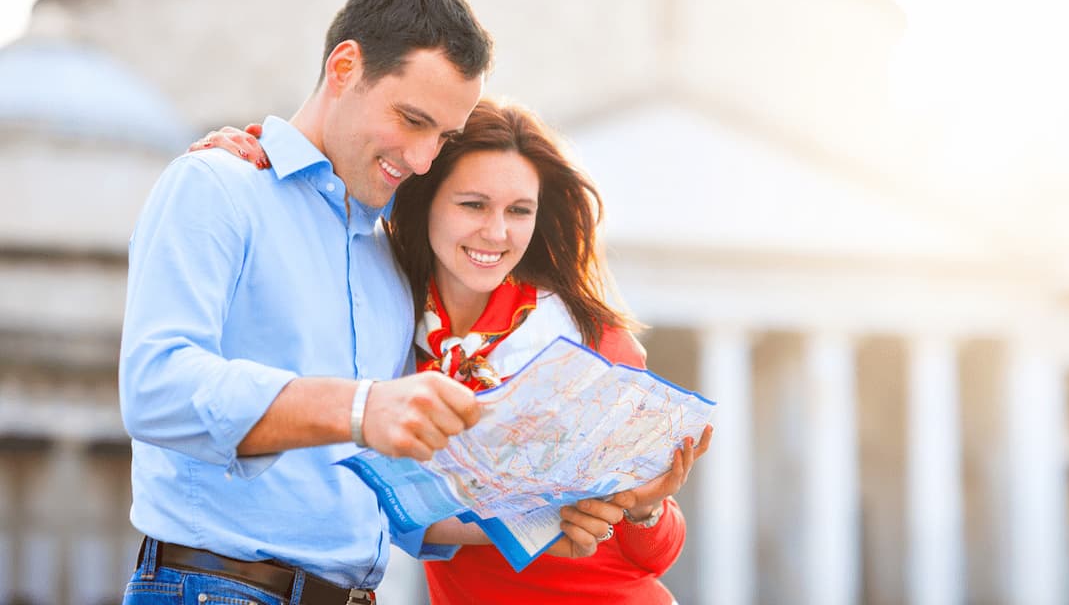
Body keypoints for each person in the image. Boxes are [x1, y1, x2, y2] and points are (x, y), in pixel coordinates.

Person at [119, 0, 618, 605]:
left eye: (442, 137)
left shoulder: (389, 262)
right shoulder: (218, 187)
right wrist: (361, 408)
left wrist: (543, 518)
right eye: (411, 120)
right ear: (345, 67)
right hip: (217, 589)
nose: (421, 160)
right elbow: (155, 387)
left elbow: (392, 505)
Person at [205, 98, 713, 604]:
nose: (496, 232)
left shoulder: (592, 340)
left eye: (519, 211)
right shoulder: (385, 321)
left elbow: (655, 556)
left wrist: (645, 510)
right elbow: (388, 509)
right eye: (473, 204)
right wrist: (256, 159)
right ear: (426, 198)